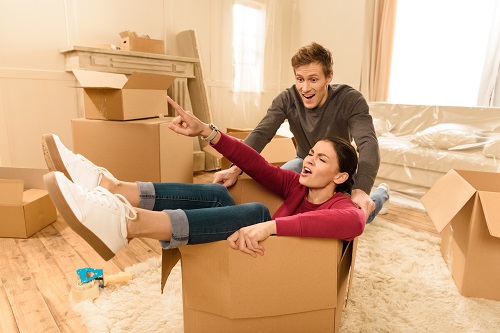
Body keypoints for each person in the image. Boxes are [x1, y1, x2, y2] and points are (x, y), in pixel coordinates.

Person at [42, 96, 365, 262]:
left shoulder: (342, 205)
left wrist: (270, 226)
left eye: (321, 159)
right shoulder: (295, 185)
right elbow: (255, 163)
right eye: (310, 154)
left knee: (257, 212)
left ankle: (130, 224)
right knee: (218, 195)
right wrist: (207, 132)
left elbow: (354, 224)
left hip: (291, 268)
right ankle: (113, 188)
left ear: (340, 175)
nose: (308, 160)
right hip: (258, 252)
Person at [213, 42, 389, 222]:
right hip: (303, 162)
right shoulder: (287, 98)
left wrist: (361, 190)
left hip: (335, 170)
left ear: (329, 77)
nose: (305, 88)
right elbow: (261, 133)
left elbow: (368, 143)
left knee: (355, 216)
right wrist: (236, 168)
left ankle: (381, 194)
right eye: (300, 79)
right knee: (277, 195)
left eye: (313, 80)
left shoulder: (350, 99)